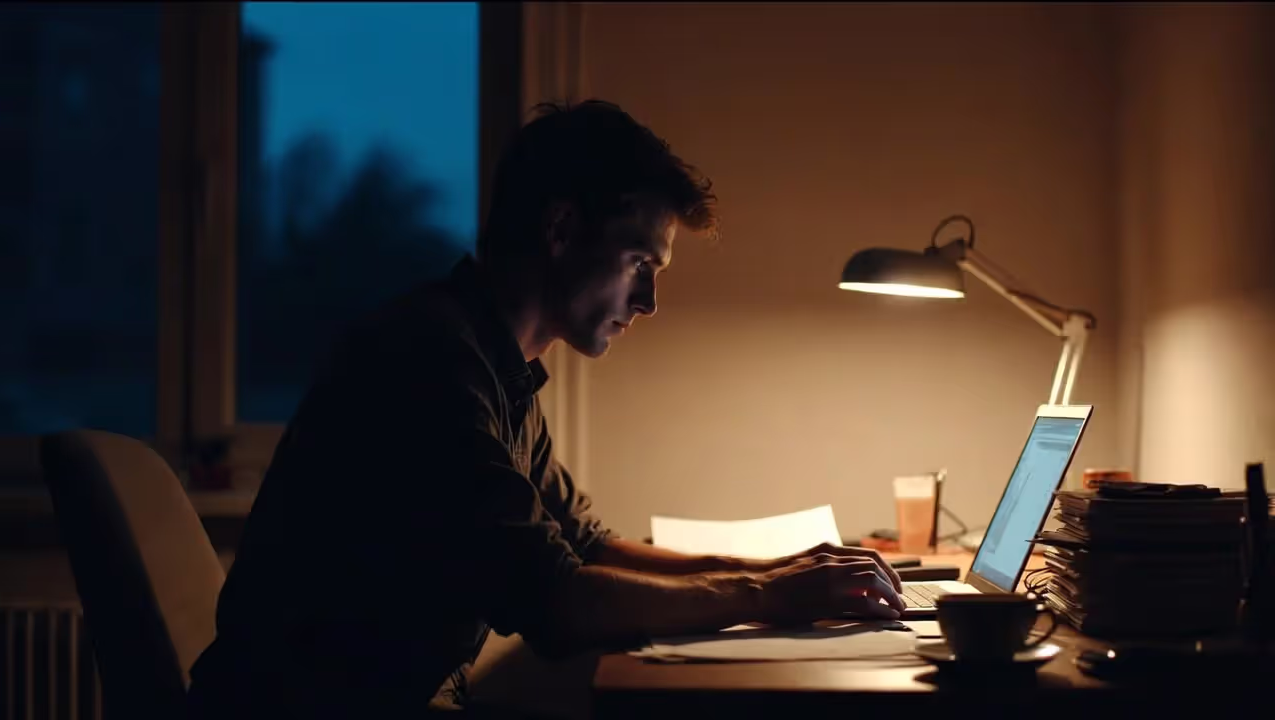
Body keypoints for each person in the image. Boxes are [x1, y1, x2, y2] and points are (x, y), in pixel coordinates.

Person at [186, 100, 904, 720]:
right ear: (561, 229)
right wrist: (766, 592)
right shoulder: (431, 364)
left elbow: (585, 544)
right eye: (638, 265)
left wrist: (779, 567)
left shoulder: (494, 365)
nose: (648, 303)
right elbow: (556, 605)